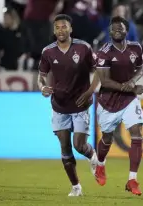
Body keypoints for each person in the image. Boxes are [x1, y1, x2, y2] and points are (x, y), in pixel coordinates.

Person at [37, 14, 99, 197]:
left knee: (79, 145)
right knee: (65, 147)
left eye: (64, 27)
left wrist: (90, 92)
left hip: (80, 104)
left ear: (70, 29)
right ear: (54, 30)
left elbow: (99, 72)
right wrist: (42, 87)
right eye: (57, 27)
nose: (61, 30)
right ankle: (76, 187)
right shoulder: (48, 52)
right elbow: (41, 76)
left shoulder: (83, 47)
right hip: (59, 105)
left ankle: (93, 157)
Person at [94, 16, 143, 196]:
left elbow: (140, 68)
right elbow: (105, 81)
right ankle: (100, 165)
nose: (117, 30)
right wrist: (129, 86)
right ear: (109, 31)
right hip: (108, 100)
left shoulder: (135, 48)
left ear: (126, 30)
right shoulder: (104, 52)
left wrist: (132, 82)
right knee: (107, 138)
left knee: (137, 133)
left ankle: (132, 180)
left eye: (121, 28)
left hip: (129, 99)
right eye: (114, 28)